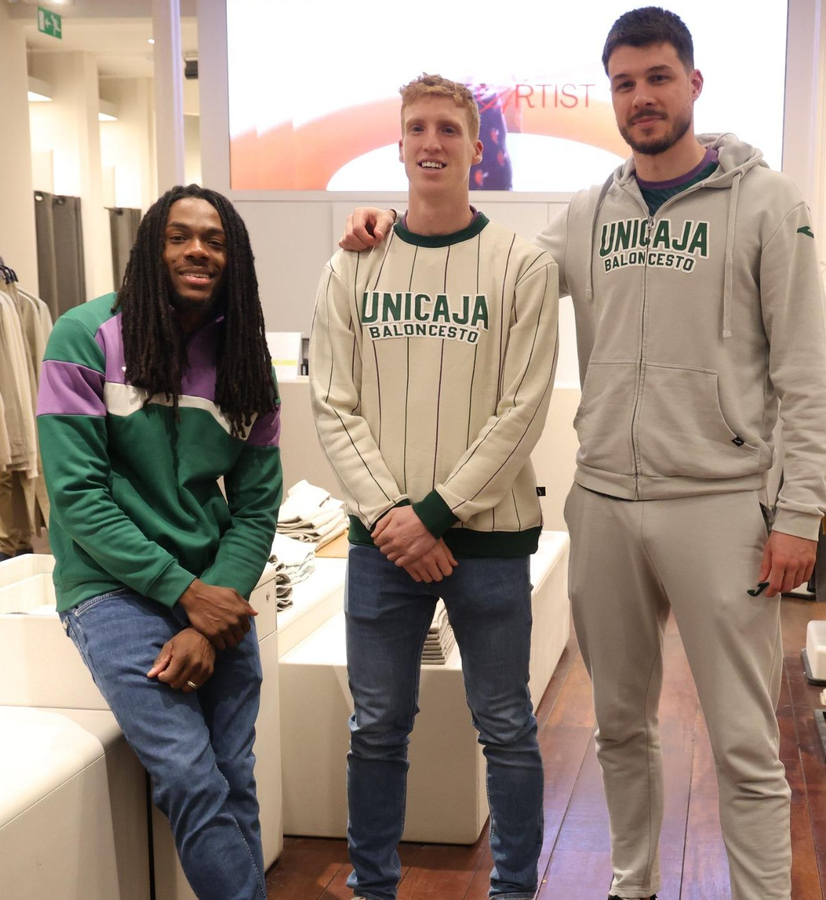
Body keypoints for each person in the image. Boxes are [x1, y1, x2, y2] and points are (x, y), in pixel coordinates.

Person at [340, 9, 826, 899]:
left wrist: (799, 513)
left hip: (720, 504)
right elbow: (488, 266)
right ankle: (631, 883)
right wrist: (393, 234)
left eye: (657, 77)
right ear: (611, 95)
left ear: (694, 84)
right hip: (603, 501)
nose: (641, 98)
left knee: (743, 739)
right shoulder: (588, 211)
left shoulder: (769, 203)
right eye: (624, 83)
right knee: (618, 726)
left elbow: (806, 371)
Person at [310, 74, 560, 900]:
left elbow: (523, 412)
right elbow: (332, 403)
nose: (431, 142)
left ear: (476, 148)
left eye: (449, 129)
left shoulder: (521, 265)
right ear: (400, 142)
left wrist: (435, 516)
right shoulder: (353, 263)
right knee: (377, 729)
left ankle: (516, 889)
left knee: (507, 728)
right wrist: (392, 518)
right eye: (417, 127)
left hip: (485, 544)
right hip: (384, 547)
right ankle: (372, 887)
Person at [39, 184, 282, 900]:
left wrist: (212, 606)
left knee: (234, 775)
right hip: (110, 589)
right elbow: (78, 496)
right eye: (179, 236)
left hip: (214, 587)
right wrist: (185, 594)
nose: (198, 250)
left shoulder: (244, 359)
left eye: (214, 239)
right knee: (190, 777)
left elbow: (257, 506)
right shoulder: (84, 337)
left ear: (233, 258)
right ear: (152, 247)